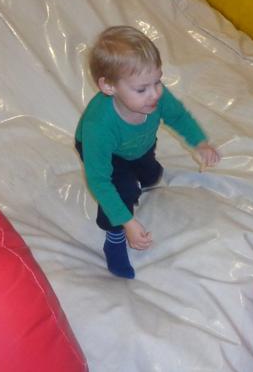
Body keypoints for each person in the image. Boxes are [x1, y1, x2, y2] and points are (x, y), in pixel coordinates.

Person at [75, 25, 221, 279]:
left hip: (140, 145)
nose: (155, 94)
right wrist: (128, 222)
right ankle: (114, 238)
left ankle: (143, 174)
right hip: (108, 154)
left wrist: (200, 143)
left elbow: (178, 116)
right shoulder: (98, 126)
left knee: (151, 175)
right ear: (109, 86)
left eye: (158, 81)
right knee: (123, 190)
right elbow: (99, 181)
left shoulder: (156, 97)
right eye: (142, 89)